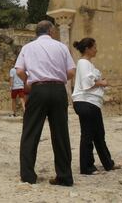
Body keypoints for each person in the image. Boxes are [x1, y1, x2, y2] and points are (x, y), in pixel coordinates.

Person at [15, 20, 76, 186]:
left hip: (38, 90)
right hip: (58, 90)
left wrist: (28, 81)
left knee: (30, 131)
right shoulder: (61, 47)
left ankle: (28, 176)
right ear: (50, 31)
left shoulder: (28, 48)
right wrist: (59, 77)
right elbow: (71, 71)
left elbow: (19, 70)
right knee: (61, 134)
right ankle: (64, 176)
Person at [71, 37, 115, 175]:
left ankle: (108, 163)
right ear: (88, 49)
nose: (96, 49)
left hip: (92, 102)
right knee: (88, 134)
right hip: (85, 101)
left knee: (99, 134)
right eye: (94, 47)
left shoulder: (88, 64)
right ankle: (86, 167)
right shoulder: (83, 63)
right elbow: (87, 82)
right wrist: (102, 83)